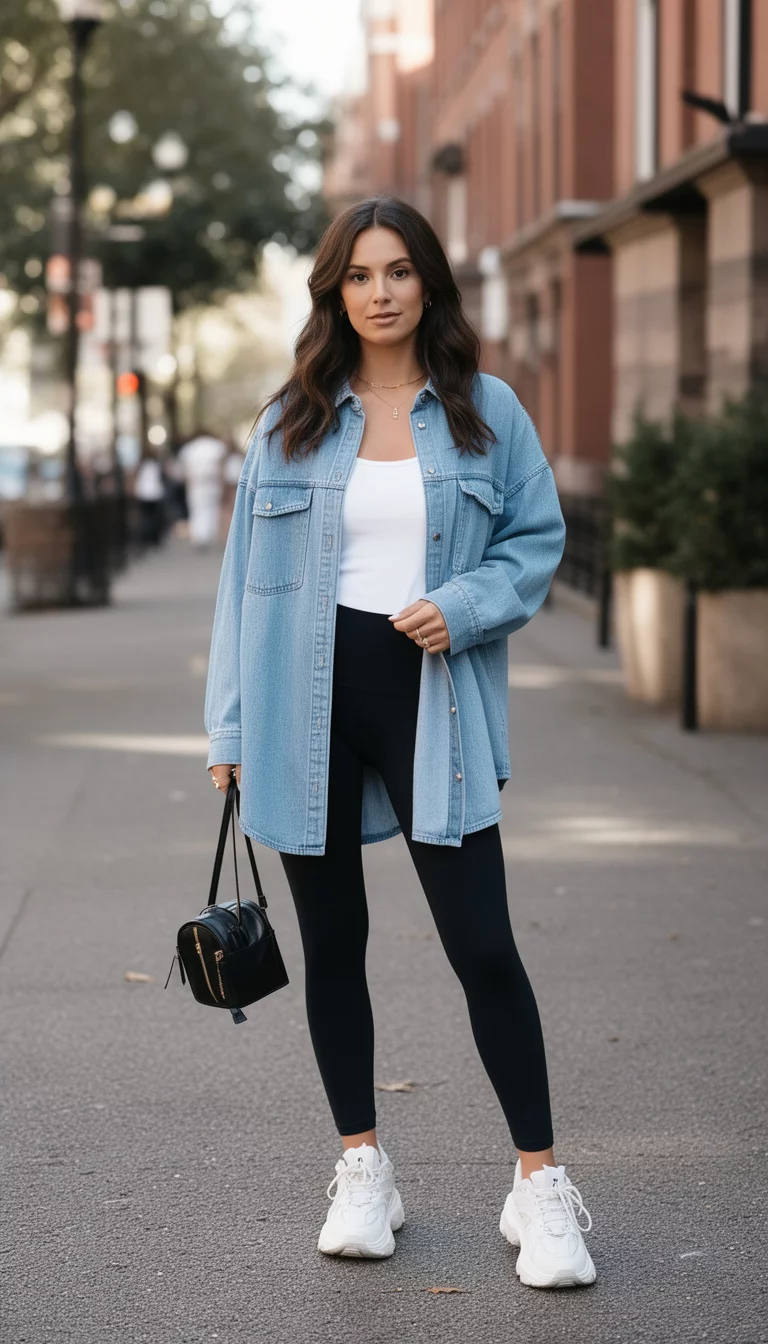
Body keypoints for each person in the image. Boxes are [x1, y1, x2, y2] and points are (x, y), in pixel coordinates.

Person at [204, 197, 596, 1289]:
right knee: (335, 945)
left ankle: (540, 1187)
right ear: (334, 290)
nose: (380, 291)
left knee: (483, 947)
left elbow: (536, 538)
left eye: (399, 272)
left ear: (429, 284)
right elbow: (242, 583)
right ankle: (363, 1165)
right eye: (360, 275)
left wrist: (466, 604)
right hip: (301, 699)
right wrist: (229, 727)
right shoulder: (291, 417)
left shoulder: (486, 411)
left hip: (433, 695)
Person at [177, 430, 226, 548]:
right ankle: (208, 534)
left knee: (197, 509)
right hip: (211, 482)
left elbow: (183, 468)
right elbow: (221, 465)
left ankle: (199, 535)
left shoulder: (190, 448)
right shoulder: (216, 446)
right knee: (211, 509)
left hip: (196, 483)